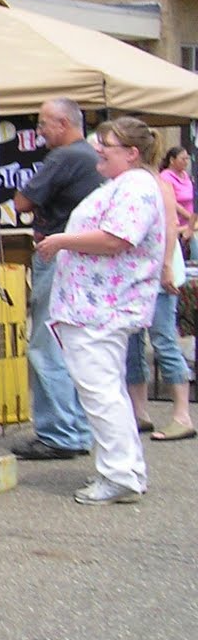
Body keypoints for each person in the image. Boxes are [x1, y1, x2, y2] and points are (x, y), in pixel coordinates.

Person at [35, 117, 165, 505]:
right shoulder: (128, 185)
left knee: (101, 392)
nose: (98, 153)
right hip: (95, 307)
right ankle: (124, 470)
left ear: (131, 152)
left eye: (105, 146)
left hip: (101, 308)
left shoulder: (137, 187)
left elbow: (116, 239)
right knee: (104, 392)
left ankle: (119, 474)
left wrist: (61, 240)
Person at [12, 99, 103, 460]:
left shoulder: (63, 158)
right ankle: (76, 428)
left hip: (58, 252)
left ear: (63, 123)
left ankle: (58, 431)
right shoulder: (89, 155)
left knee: (45, 343)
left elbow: (22, 201)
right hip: (83, 259)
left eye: (44, 123)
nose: (39, 131)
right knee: (71, 344)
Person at [127, 164, 191, 441]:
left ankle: (182, 415)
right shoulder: (128, 182)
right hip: (134, 274)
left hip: (158, 273)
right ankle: (139, 412)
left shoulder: (158, 184)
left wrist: (166, 267)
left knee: (163, 340)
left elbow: (170, 227)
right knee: (132, 343)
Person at [157, 145, 197, 261]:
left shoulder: (186, 175)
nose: (186, 162)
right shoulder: (165, 176)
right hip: (178, 222)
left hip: (191, 221)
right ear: (172, 160)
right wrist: (189, 216)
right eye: (182, 159)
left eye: (187, 159)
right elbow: (170, 201)